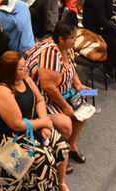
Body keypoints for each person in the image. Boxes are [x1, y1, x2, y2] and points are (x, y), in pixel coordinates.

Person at [0, 51, 73, 191]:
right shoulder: (1, 90)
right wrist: (44, 123)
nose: (26, 69)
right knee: (43, 159)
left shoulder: (25, 79)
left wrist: (45, 124)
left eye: (25, 65)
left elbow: (39, 100)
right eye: (21, 68)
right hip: (7, 138)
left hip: (31, 126)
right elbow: (17, 124)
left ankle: (60, 183)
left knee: (61, 144)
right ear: (10, 72)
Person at [25, 21, 91, 166]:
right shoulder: (51, 54)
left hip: (62, 92)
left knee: (84, 111)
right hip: (42, 100)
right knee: (65, 124)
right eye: (72, 38)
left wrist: (78, 84)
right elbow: (48, 87)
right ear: (61, 39)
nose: (75, 41)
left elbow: (71, 68)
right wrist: (66, 107)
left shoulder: (67, 48)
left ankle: (71, 146)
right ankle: (58, 156)